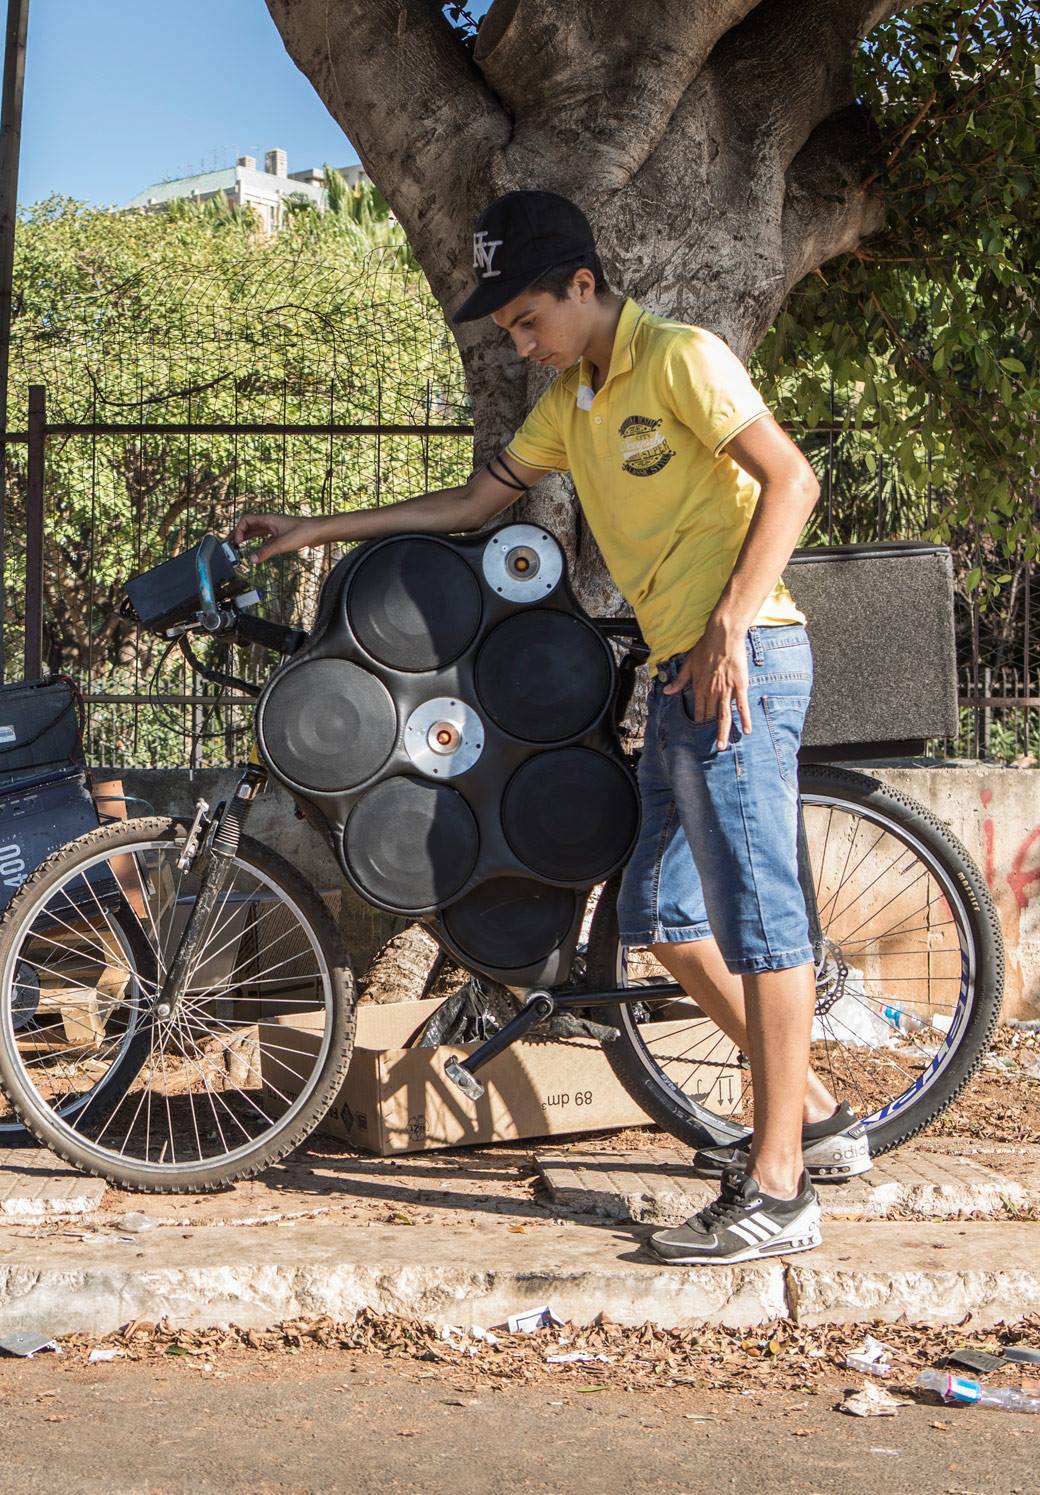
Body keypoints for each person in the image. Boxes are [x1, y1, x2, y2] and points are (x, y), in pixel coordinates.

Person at [232, 190, 865, 1266]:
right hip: (678, 669)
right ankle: (808, 1111)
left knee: (760, 917)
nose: (519, 344)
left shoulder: (681, 358)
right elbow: (475, 505)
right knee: (663, 916)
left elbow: (791, 480)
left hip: (741, 660)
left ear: (582, 284)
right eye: (510, 330)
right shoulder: (574, 401)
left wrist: (728, 623)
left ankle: (779, 1191)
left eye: (527, 318)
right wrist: (317, 530)